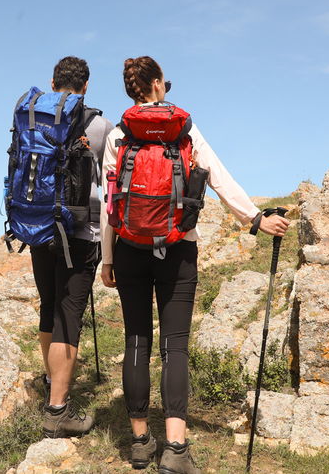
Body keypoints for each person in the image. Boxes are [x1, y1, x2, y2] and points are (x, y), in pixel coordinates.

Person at [100, 56, 289, 473]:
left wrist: (108, 258)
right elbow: (217, 176)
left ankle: (138, 443)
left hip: (130, 248)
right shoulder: (184, 128)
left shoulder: (118, 136)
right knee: (175, 345)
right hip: (179, 247)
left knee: (135, 340)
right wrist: (255, 219)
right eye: (164, 81)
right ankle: (176, 449)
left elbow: (110, 202)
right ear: (155, 85)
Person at [30, 56, 114, 437]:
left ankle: (54, 383)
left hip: (38, 226)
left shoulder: (33, 116)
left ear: (52, 82)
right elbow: (106, 182)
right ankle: (58, 411)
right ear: (85, 87)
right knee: (69, 315)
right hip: (80, 232)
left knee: (49, 306)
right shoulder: (98, 125)